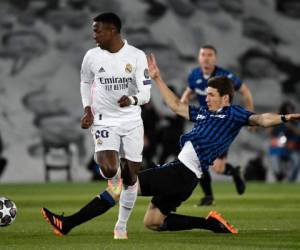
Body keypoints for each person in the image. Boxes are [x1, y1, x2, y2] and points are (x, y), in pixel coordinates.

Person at [41, 53, 300, 236]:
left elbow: (263, 118)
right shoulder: (205, 113)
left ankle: (68, 224)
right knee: (153, 222)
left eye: (211, 95)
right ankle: (211, 224)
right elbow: (176, 105)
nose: (206, 98)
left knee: (121, 186)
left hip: (182, 173)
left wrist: (286, 117)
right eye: (206, 94)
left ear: (225, 97)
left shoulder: (235, 114)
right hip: (184, 177)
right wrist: (157, 78)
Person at [47, 12, 151, 239]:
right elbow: (85, 82)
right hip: (104, 119)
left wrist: (132, 100)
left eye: (98, 30)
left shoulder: (136, 56)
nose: (94, 35)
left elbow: (146, 92)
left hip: (132, 120)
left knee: (132, 177)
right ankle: (109, 169)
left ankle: (121, 225)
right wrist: (87, 109)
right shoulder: (91, 56)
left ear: (112, 30)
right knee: (110, 169)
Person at [181, 45, 254, 206]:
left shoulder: (225, 76)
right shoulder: (194, 75)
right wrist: (183, 101)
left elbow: (246, 92)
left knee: (219, 168)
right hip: (204, 122)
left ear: (215, 58)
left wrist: (250, 117)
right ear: (199, 58)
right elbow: (189, 90)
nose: (206, 58)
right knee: (199, 158)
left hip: (222, 124)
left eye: (210, 55)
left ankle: (234, 172)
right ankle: (208, 196)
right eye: (203, 55)